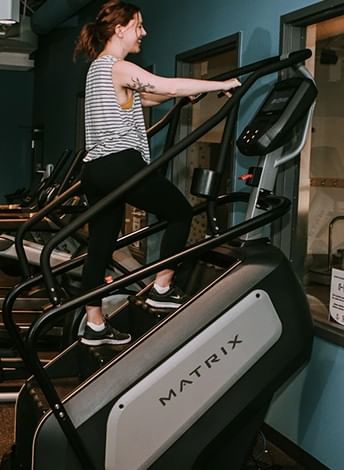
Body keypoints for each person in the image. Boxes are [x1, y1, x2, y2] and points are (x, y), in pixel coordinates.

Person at [74, 0, 241, 346]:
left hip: (95, 169)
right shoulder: (118, 66)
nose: (144, 32)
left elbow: (147, 98)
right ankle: (162, 287)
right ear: (120, 29)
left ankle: (94, 325)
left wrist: (180, 98)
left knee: (101, 244)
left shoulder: (97, 70)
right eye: (139, 25)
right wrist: (217, 84)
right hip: (121, 164)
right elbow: (166, 84)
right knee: (180, 212)